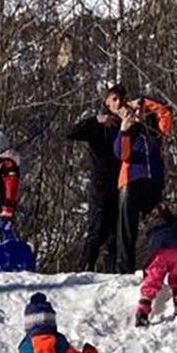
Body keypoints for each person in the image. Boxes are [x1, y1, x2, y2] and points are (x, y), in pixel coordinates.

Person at [104, 85, 172, 274]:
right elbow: (122, 154)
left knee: (159, 224)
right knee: (127, 229)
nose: (119, 103)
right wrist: (125, 130)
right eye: (113, 100)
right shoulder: (112, 124)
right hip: (130, 179)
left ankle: (159, 266)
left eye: (121, 98)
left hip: (154, 177)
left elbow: (165, 114)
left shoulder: (146, 116)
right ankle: (124, 271)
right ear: (108, 104)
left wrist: (144, 104)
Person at [67, 108, 120, 272]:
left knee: (114, 234)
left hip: (119, 185)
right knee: (96, 229)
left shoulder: (123, 127)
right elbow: (72, 133)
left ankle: (111, 271)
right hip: (100, 185)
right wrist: (95, 120)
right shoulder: (96, 129)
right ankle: (85, 268)